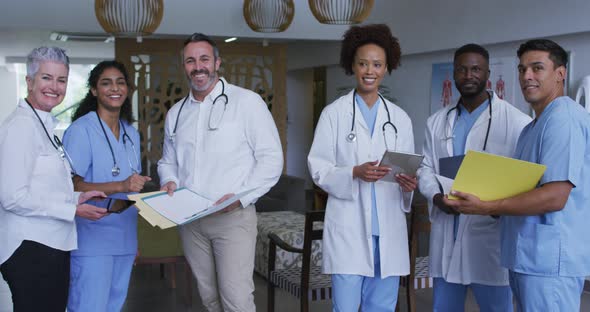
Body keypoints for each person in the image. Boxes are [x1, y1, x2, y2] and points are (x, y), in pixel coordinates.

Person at [444, 39, 590, 311]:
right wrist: (480, 199)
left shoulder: (564, 119)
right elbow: (523, 188)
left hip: (549, 262)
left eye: (537, 68)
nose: (527, 76)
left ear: (560, 73)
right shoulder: (533, 127)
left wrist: (486, 206)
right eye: (522, 69)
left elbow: (555, 197)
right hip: (527, 258)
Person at [157, 33, 283, 312]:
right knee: (210, 299)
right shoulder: (176, 113)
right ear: (184, 65)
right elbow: (168, 161)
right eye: (190, 61)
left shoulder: (246, 102)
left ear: (217, 62)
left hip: (232, 218)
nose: (198, 66)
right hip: (191, 221)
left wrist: (240, 197)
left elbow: (271, 159)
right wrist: (169, 181)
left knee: (236, 300)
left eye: (204, 59)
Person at [307, 24, 417, 311]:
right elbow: (318, 167)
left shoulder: (400, 118)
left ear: (386, 67)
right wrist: (352, 173)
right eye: (363, 63)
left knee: (381, 307)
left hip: (388, 230)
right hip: (349, 229)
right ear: (352, 66)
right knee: (345, 307)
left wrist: (408, 184)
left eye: (377, 64)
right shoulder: (334, 114)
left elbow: (406, 166)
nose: (370, 71)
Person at [417, 43, 531, 312]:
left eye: (476, 69)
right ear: (453, 74)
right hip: (447, 230)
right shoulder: (437, 122)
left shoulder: (515, 121)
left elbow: (523, 179)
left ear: (487, 73)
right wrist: (435, 196)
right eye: (462, 69)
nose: (469, 75)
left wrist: (495, 207)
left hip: (489, 237)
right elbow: (424, 168)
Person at [0, 46, 107, 312]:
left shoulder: (43, 123)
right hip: (30, 249)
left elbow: (42, 186)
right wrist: (72, 209)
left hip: (50, 245)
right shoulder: (20, 127)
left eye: (61, 80)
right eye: (46, 77)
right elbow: (12, 197)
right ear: (29, 81)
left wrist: (77, 197)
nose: (54, 87)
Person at [61, 60, 151, 311]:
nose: (115, 88)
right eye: (106, 83)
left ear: (128, 89)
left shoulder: (130, 134)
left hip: (124, 237)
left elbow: (131, 192)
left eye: (120, 82)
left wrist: (134, 242)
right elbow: (71, 185)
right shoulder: (81, 130)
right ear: (93, 90)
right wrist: (120, 184)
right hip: (92, 240)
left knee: (114, 306)